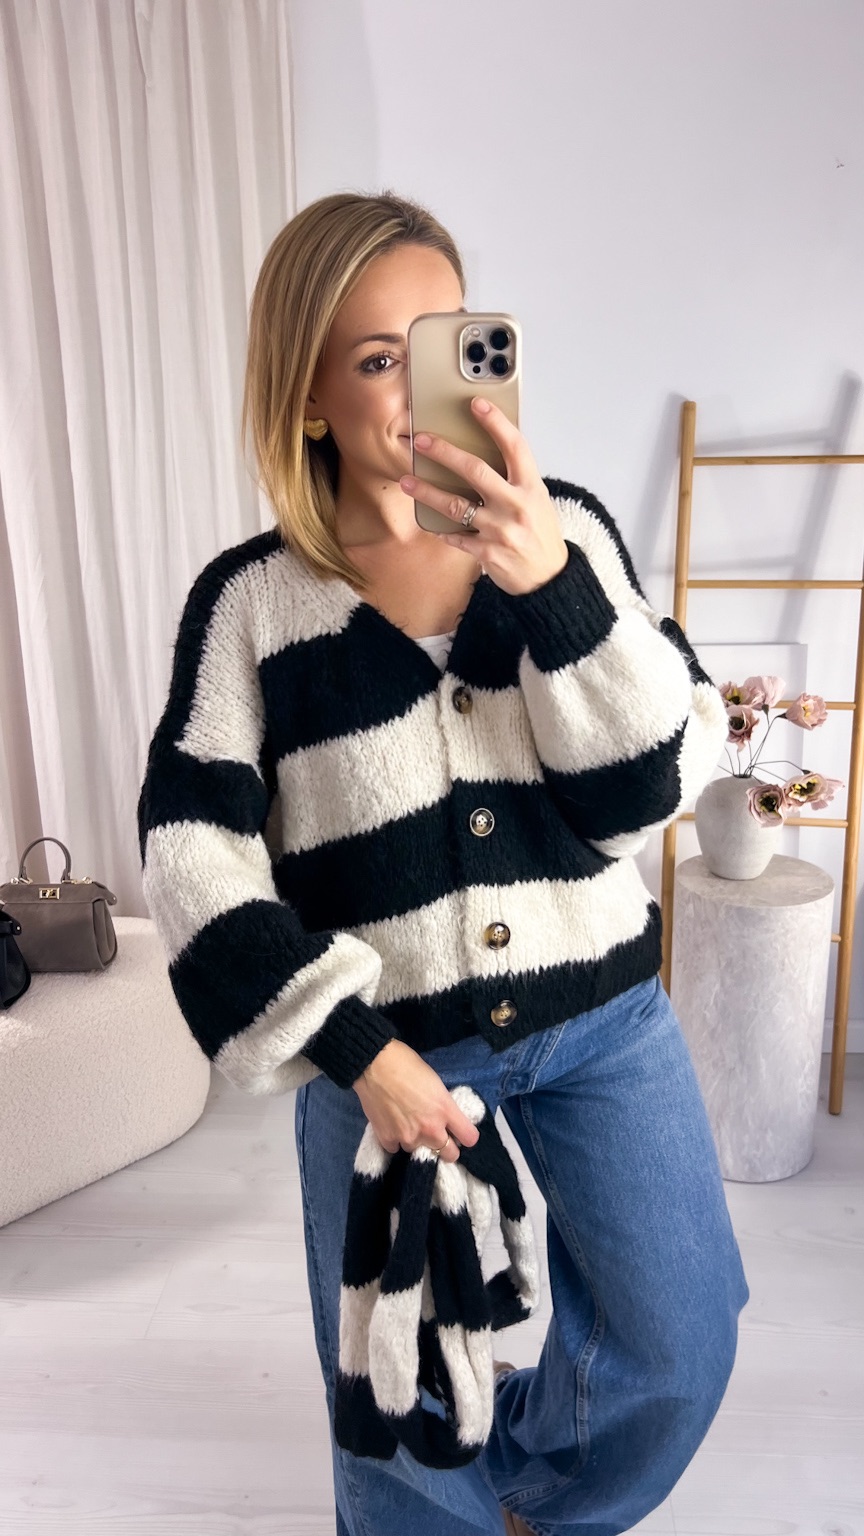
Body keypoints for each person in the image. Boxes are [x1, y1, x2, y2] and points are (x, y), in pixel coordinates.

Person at [137, 190, 750, 1536]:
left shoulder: (567, 533)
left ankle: (532, 1496)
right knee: (399, 1405)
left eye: (452, 342)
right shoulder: (250, 608)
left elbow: (639, 795)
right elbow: (191, 856)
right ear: (308, 397)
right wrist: (358, 1053)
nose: (430, 391)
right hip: (386, 1064)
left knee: (682, 1336)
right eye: (380, 358)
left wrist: (551, 588)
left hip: (601, 1020)